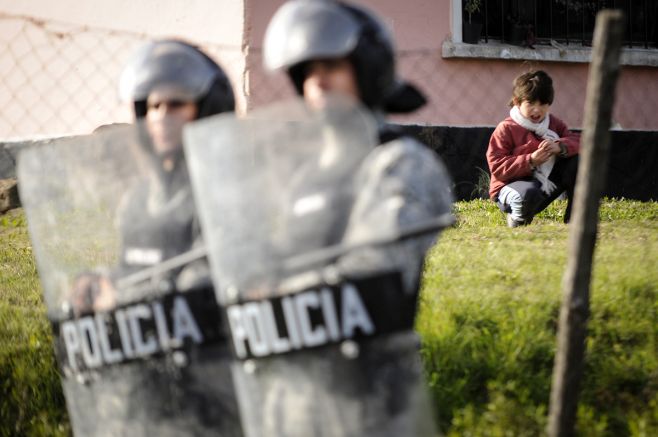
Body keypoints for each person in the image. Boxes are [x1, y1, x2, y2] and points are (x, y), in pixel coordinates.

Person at [224, 1, 453, 436]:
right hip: (292, 392)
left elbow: (374, 272)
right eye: (307, 70)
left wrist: (273, 295)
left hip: (367, 397)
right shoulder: (304, 174)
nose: (318, 79)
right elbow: (268, 261)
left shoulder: (400, 161)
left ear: (366, 69)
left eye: (332, 64)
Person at [72, 39, 235, 312]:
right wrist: (100, 281)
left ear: (206, 110)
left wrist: (122, 299)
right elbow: (133, 268)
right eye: (153, 106)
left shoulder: (221, 193)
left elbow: (201, 284)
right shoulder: (140, 199)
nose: (161, 116)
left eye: (175, 104)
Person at [486, 70, 580, 227]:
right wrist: (530, 160)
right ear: (517, 102)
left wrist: (560, 146)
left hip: (544, 186)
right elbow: (497, 167)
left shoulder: (554, 123)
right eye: (530, 103)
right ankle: (517, 219)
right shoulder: (505, 128)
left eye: (543, 104)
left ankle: (575, 219)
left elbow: (578, 141)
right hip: (510, 187)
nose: (537, 110)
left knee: (579, 161)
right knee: (528, 193)